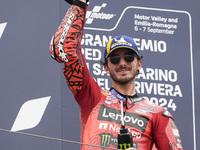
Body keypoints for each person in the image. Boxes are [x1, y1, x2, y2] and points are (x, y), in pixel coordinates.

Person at [49, 0, 183, 149]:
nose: (122, 63)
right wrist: (80, 4)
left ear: (139, 64)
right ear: (106, 67)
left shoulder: (158, 114)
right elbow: (63, 49)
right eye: (115, 58)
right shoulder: (92, 98)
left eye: (129, 57)